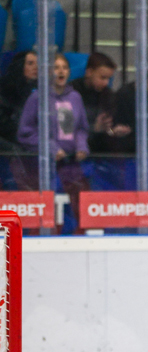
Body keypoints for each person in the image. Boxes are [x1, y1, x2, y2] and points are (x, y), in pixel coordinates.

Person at [15, 54, 89, 224]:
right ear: (48, 72)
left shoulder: (75, 97)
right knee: (47, 212)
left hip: (71, 165)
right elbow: (25, 133)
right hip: (44, 166)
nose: (61, 71)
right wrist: (51, 148)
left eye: (64, 67)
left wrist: (81, 146)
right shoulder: (37, 98)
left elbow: (81, 128)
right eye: (56, 67)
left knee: (78, 208)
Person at [70, 52, 129, 155]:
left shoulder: (108, 95)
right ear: (89, 72)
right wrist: (94, 128)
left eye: (109, 78)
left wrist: (114, 131)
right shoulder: (71, 92)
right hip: (76, 150)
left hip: (100, 150)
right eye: (102, 77)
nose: (106, 83)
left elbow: (110, 126)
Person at [0, 51, 37, 147]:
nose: (36, 67)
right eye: (30, 63)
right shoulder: (5, 89)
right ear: (20, 66)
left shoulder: (42, 89)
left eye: (38, 63)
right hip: (10, 144)